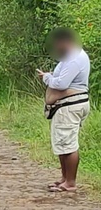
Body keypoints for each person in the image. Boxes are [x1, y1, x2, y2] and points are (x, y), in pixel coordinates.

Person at [38, 27, 90, 192]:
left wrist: (47, 78)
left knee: (68, 143)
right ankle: (64, 178)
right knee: (62, 142)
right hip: (65, 106)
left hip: (70, 106)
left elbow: (61, 84)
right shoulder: (70, 57)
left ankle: (70, 182)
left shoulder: (74, 58)